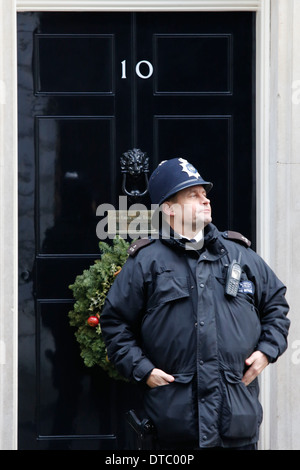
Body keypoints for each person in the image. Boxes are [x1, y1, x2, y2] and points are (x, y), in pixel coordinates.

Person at [100, 158, 290, 450]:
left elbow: (276, 305)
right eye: (193, 195)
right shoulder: (146, 262)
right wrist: (143, 370)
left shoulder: (241, 255)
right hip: (175, 426)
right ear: (169, 209)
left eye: (205, 193)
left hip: (236, 424)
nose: (205, 200)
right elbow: (115, 323)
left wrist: (267, 351)